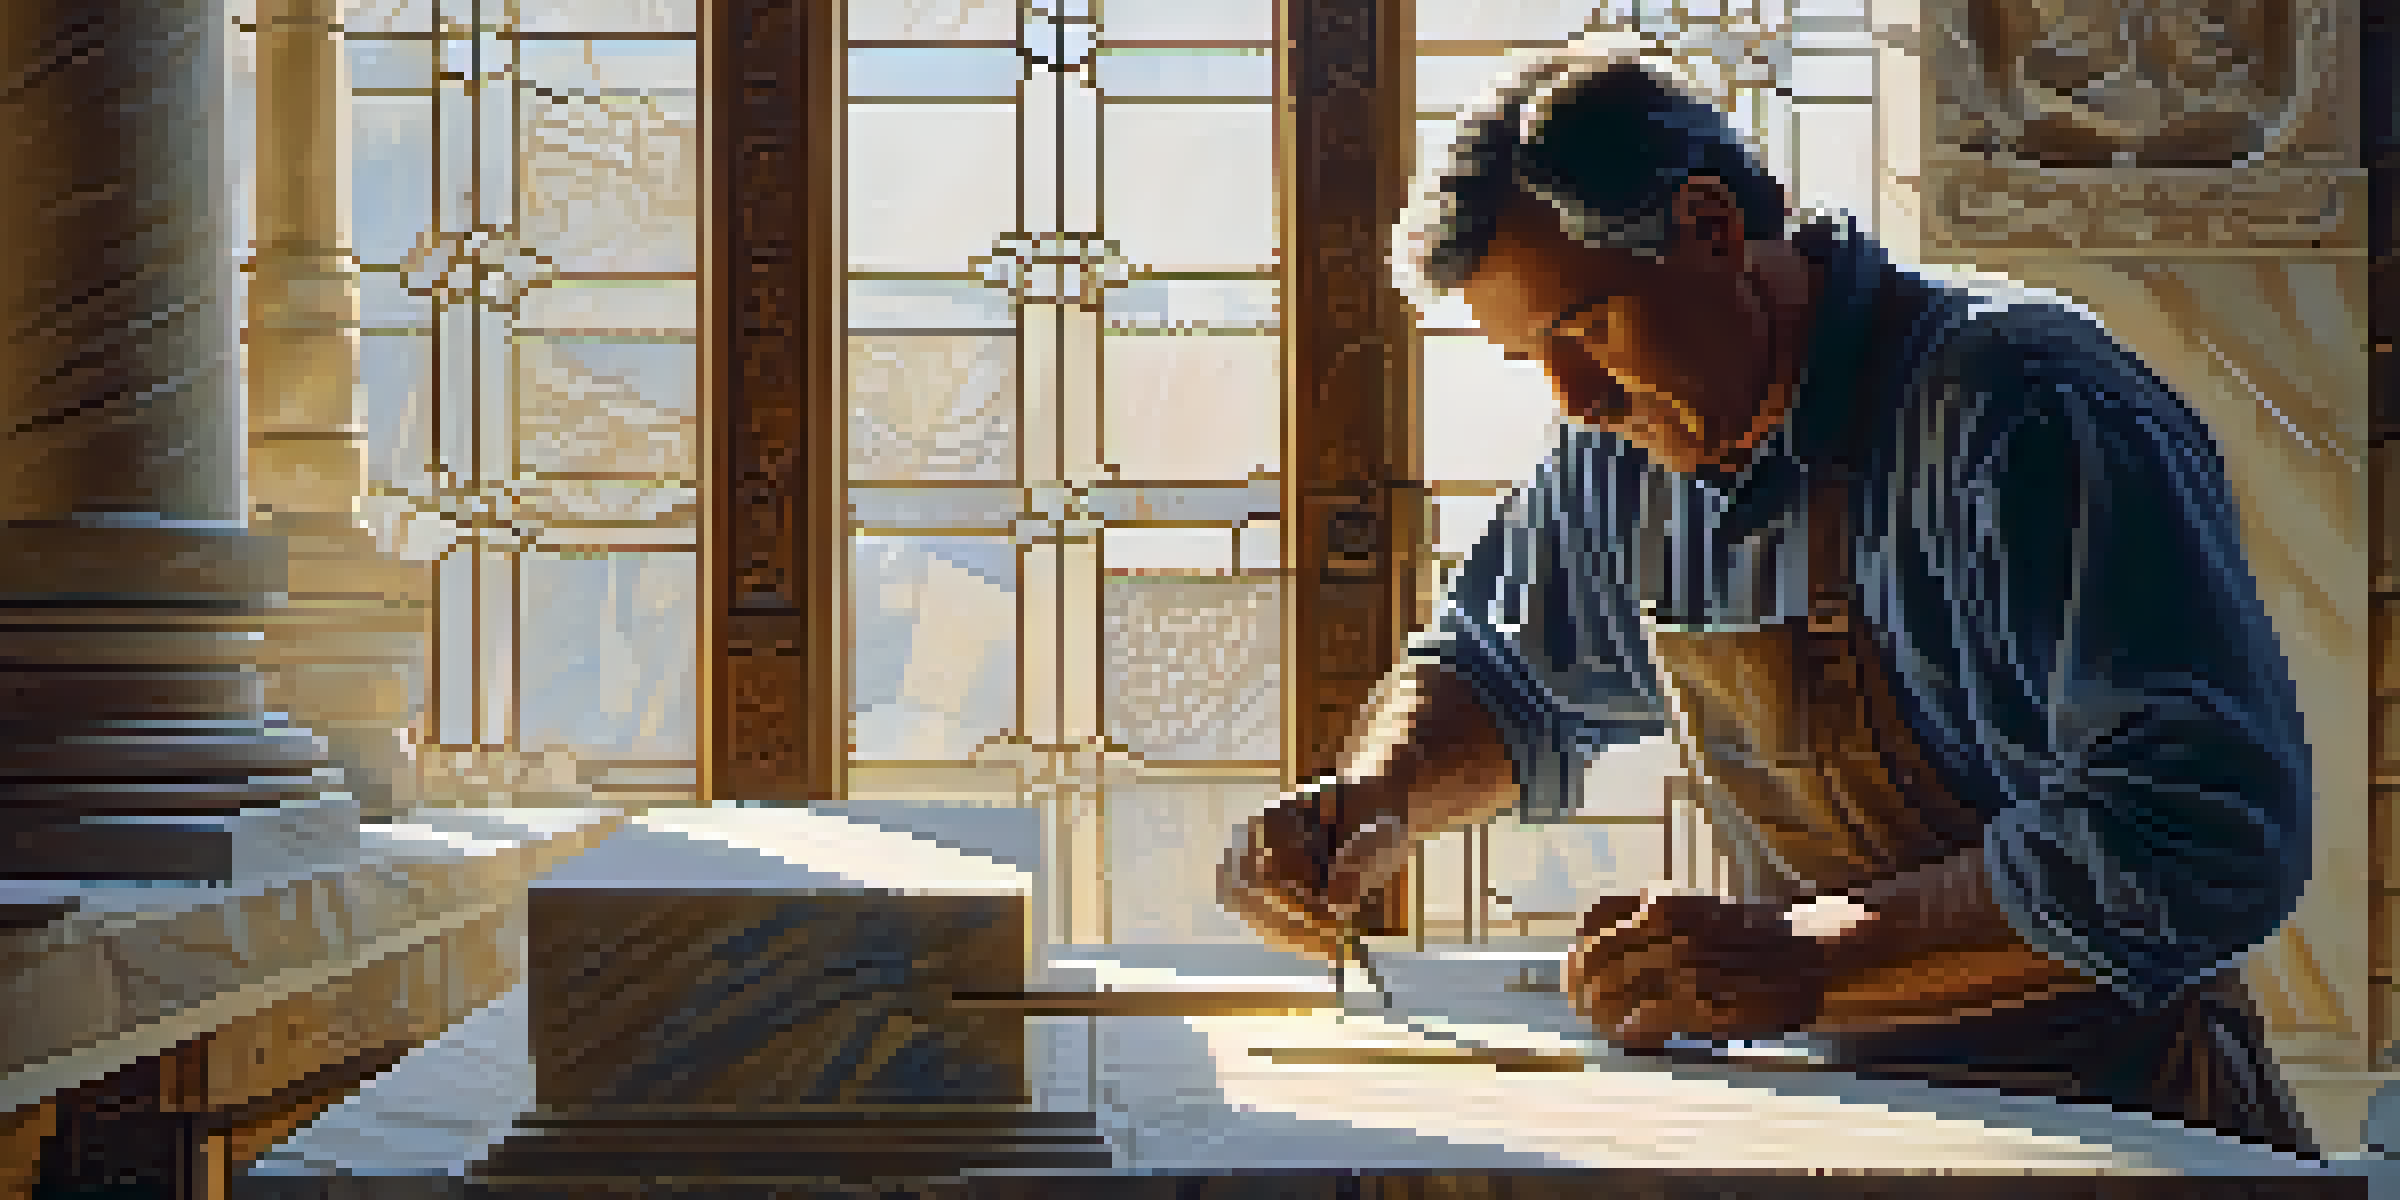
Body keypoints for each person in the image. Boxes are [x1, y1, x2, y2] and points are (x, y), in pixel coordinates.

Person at [1219, 54, 2319, 1156]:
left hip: (2120, 1124)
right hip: (1863, 1122)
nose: (1577, 400)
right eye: (1531, 360)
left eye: (1588, 327)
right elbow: (1498, 675)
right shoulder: (1626, 455)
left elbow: (2197, 835)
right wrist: (1377, 792)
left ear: (1707, 228)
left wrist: (1799, 958)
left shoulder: (2024, 411)